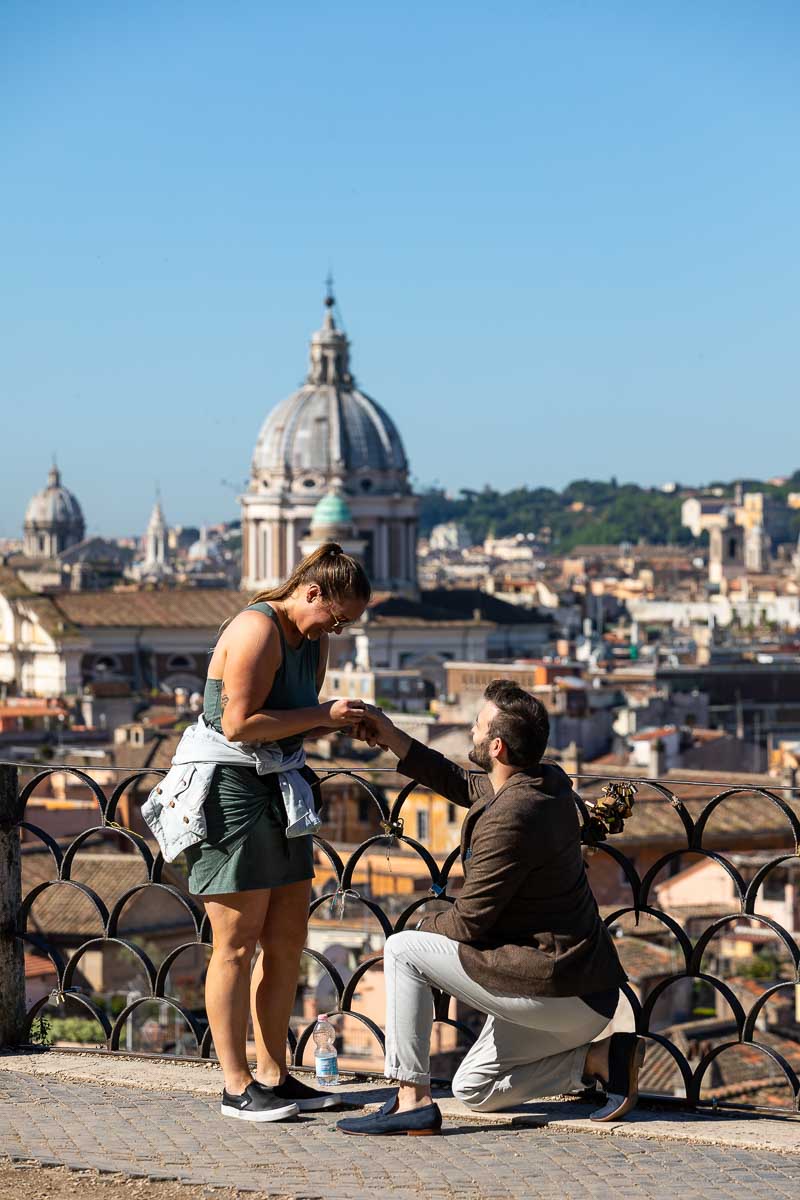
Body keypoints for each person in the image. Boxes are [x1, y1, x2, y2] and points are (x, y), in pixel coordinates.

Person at [338, 680, 640, 1138]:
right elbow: (460, 781)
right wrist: (390, 735)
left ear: (496, 745)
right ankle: (598, 1060)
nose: (469, 734)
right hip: (585, 993)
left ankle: (410, 1099)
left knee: (403, 950)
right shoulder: (544, 781)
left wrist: (422, 927)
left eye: (476, 727)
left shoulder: (513, 817)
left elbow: (469, 921)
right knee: (475, 1089)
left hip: (556, 985)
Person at [186, 542, 371, 1122]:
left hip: (280, 787)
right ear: (312, 592)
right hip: (233, 791)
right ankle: (235, 1085)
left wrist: (342, 724)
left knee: (287, 938)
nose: (336, 629)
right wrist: (323, 717)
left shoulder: (312, 642)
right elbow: (239, 724)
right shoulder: (255, 629)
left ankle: (273, 1073)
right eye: (336, 616)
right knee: (234, 944)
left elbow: (290, 719)